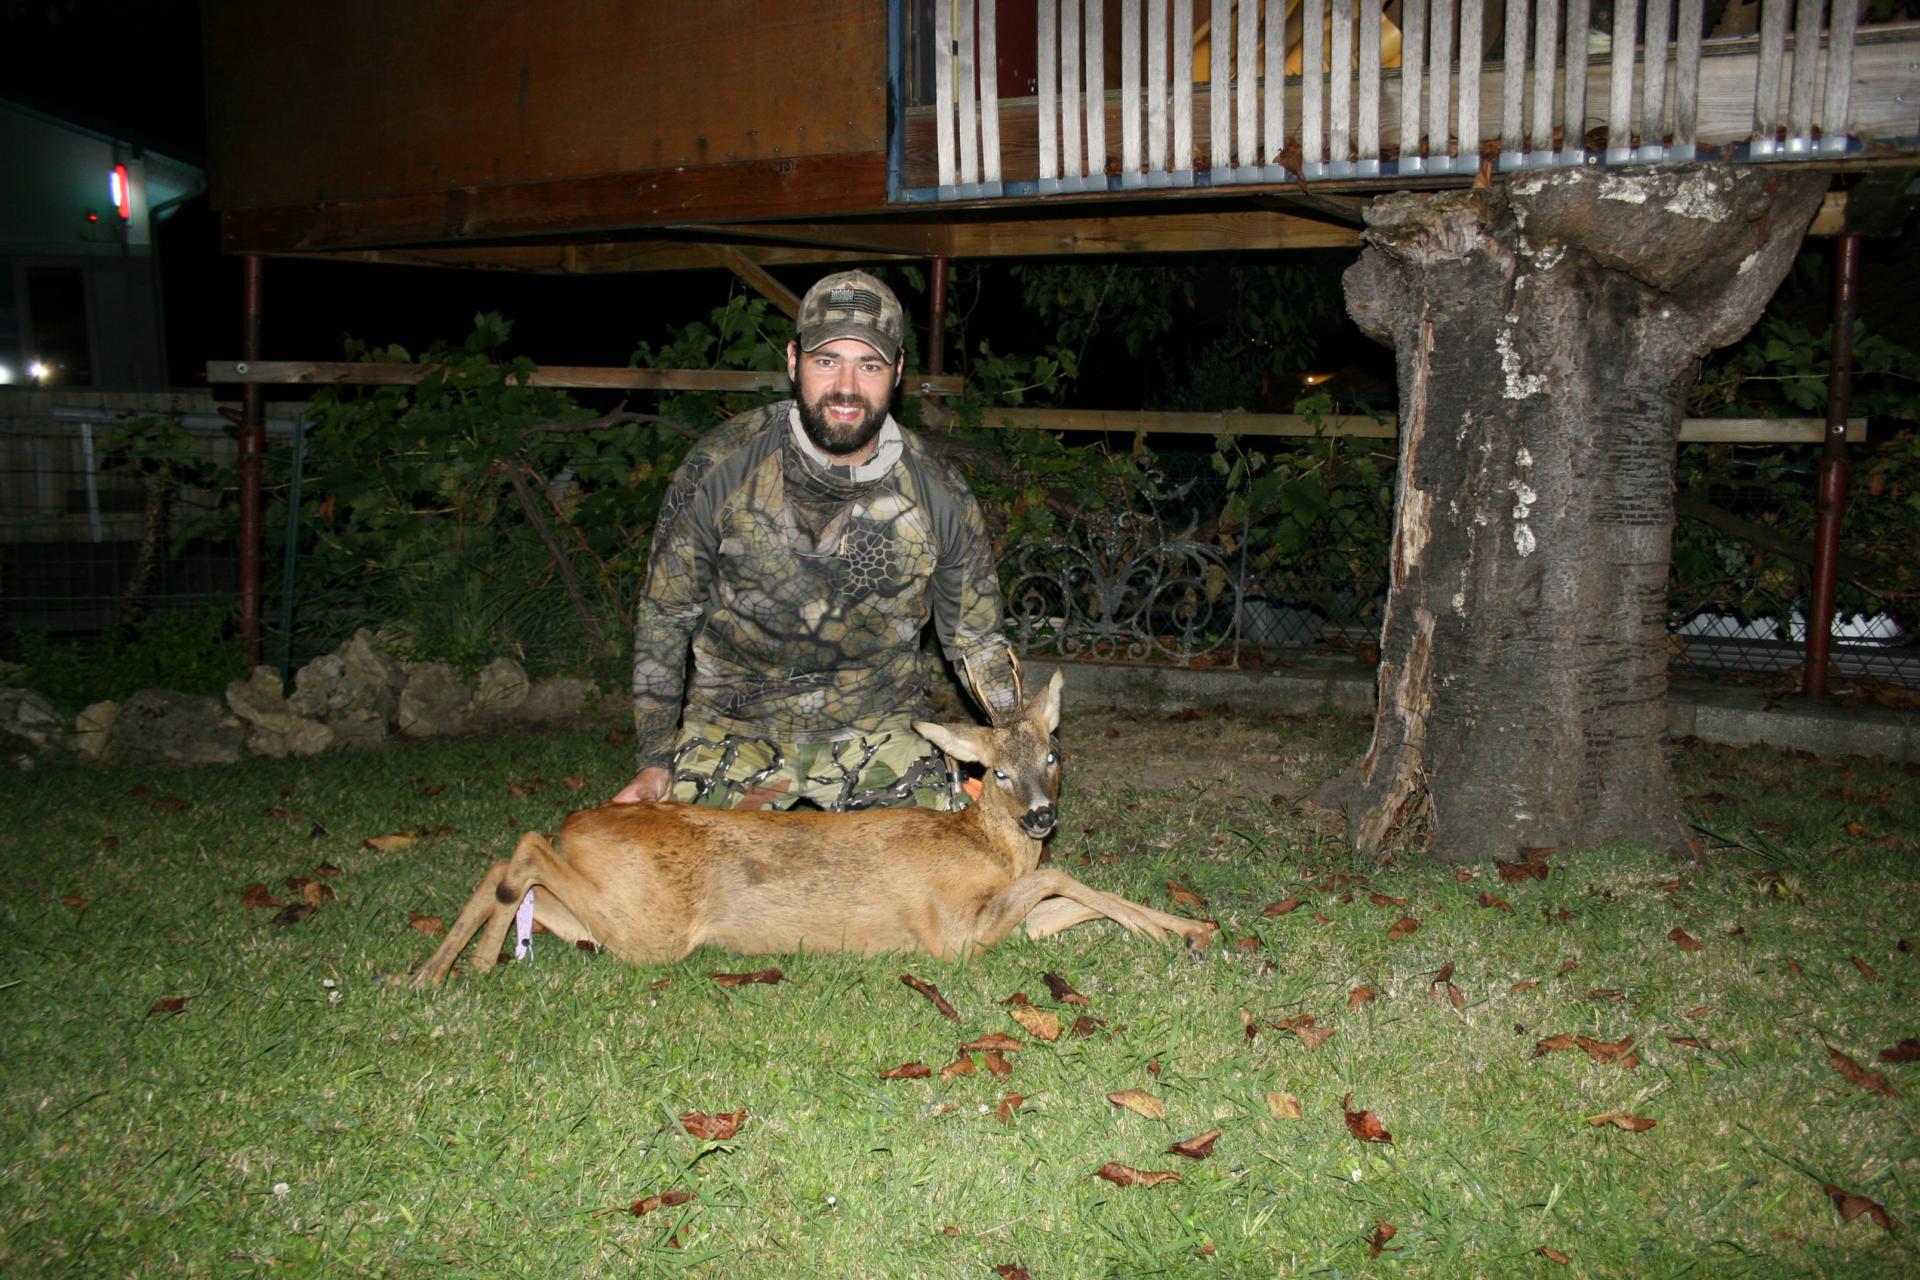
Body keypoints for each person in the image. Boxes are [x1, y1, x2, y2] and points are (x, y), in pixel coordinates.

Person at [610, 269, 1022, 811]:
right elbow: (666, 614)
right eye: (827, 361)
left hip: (880, 732)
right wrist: (655, 760)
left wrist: (1022, 741)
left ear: (897, 372)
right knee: (675, 881)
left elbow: (976, 641)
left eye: (869, 365)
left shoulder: (938, 491)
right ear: (793, 361)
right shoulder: (719, 468)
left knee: (939, 881)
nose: (847, 387)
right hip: (731, 730)